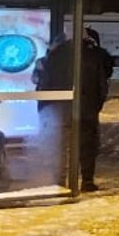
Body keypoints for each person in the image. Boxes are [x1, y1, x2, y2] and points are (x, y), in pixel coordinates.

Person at [35, 28, 111, 192]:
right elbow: (104, 82)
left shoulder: (55, 56)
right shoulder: (96, 55)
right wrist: (95, 106)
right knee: (87, 145)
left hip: (59, 108)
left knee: (61, 145)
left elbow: (44, 83)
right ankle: (87, 181)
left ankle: (60, 181)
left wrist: (46, 108)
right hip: (86, 108)